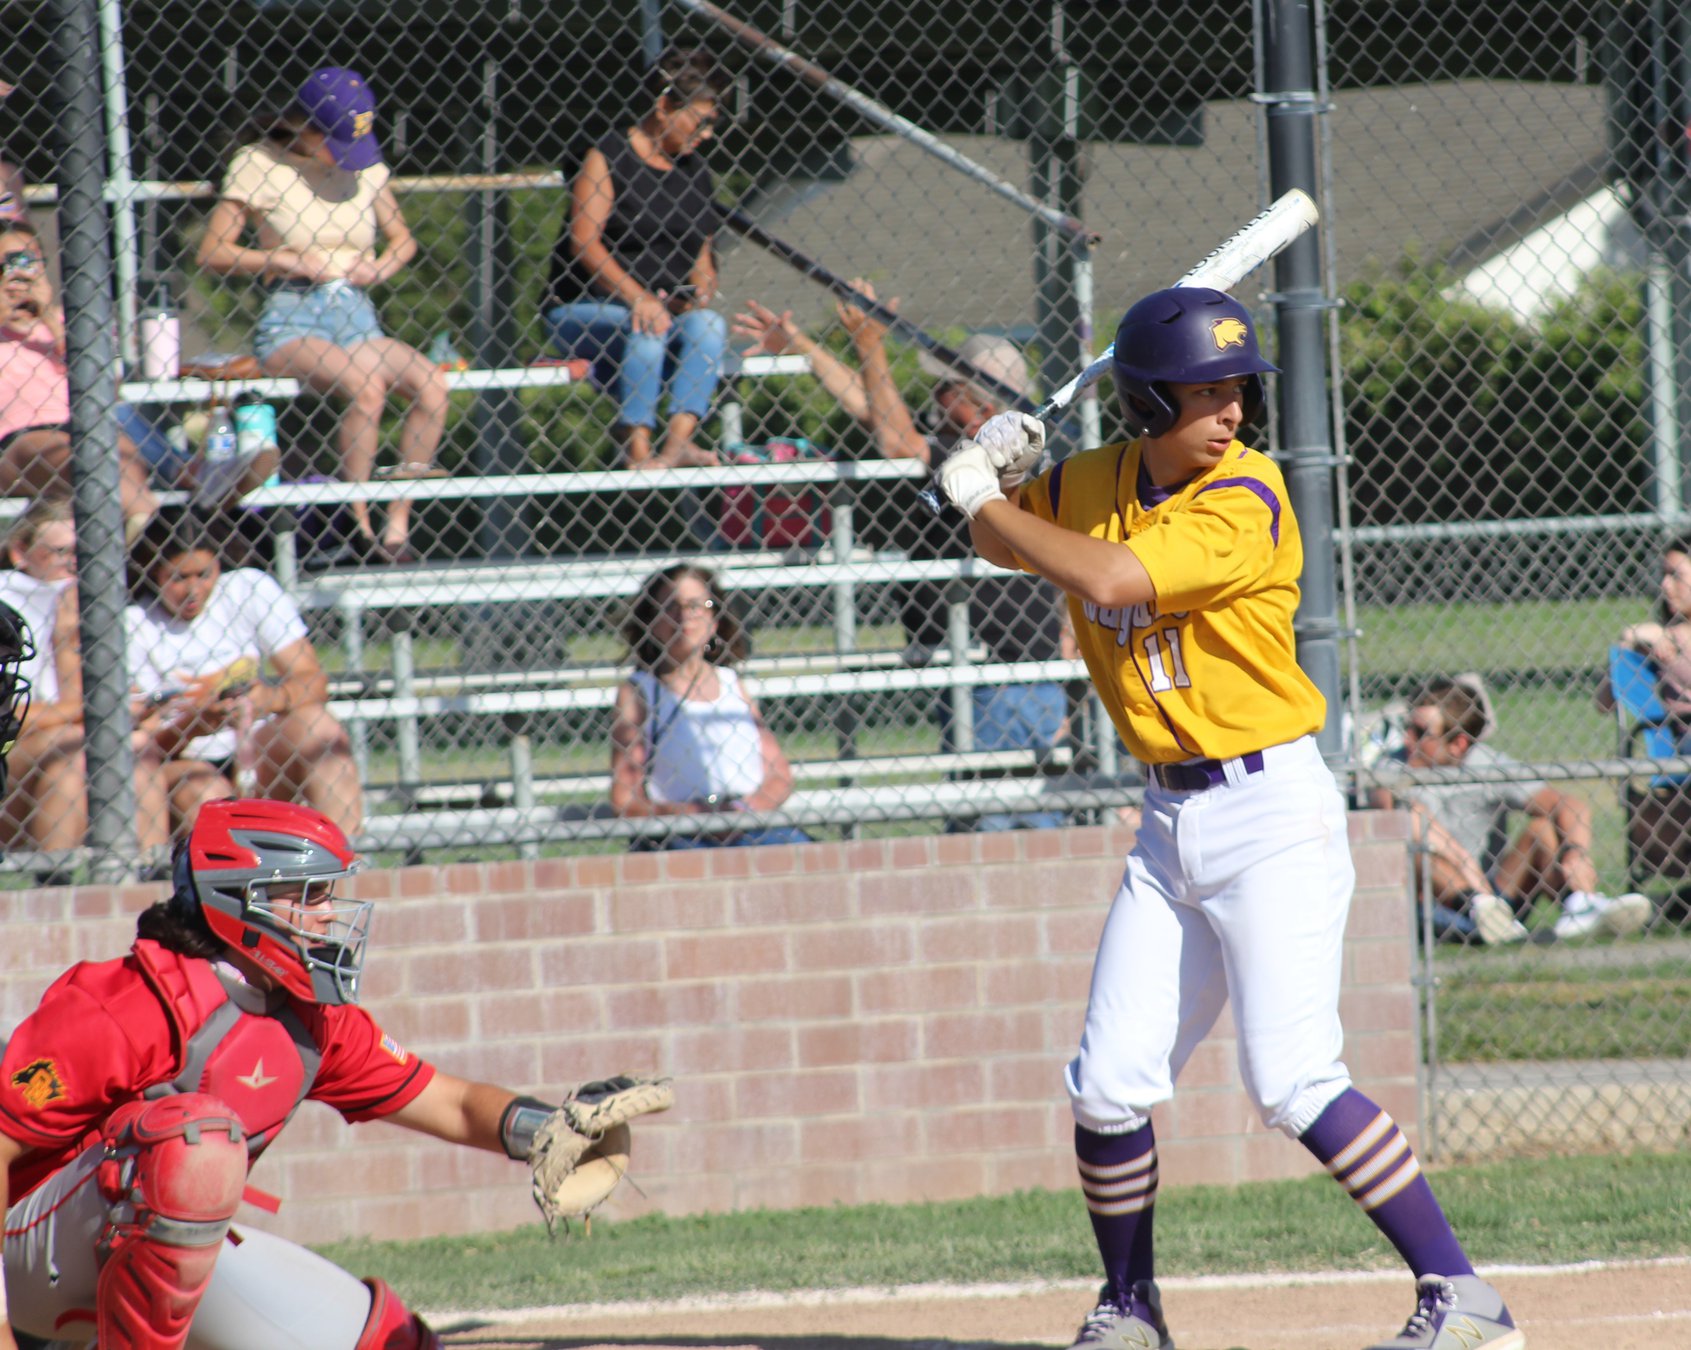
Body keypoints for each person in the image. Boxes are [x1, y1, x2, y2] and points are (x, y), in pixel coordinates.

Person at [935, 286, 1523, 1350]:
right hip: (1164, 826)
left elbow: (1107, 572)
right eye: (1204, 393)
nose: (1231, 412)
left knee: (1292, 1078)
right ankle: (1130, 1307)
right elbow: (1011, 548)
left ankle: (1466, 1298)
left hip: (1270, 816)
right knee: (1106, 1086)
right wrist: (1006, 467)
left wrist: (984, 495)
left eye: (1235, 391)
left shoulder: (1245, 498)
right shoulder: (1104, 479)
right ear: (1148, 401)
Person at [0, 796, 667, 1349]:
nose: (329, 913)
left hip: (147, 1252)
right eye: (309, 894)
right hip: (29, 1260)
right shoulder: (128, 1002)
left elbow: (453, 1102)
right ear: (240, 900)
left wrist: (545, 1130)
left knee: (393, 1344)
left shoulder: (312, 1019)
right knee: (192, 1143)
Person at [734, 285, 1074, 828]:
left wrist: (871, 344)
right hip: (999, 663)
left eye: (947, 390)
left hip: (998, 665)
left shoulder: (983, 454)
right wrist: (802, 343)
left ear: (983, 403)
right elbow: (874, 409)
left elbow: (894, 438)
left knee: (998, 821)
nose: (936, 397)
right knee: (1013, 816)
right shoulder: (993, 444)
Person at [197, 66, 447, 562]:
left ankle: (396, 522)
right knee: (363, 384)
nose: (345, 158)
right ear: (305, 129)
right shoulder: (259, 163)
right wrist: (283, 259)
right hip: (294, 313)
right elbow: (213, 251)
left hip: (356, 313)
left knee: (433, 384)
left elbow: (403, 241)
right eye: (333, 141)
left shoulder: (365, 165)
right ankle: (358, 523)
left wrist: (379, 267)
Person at [541, 46, 730, 470]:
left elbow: (702, 252)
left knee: (709, 325)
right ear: (664, 108)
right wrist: (638, 297)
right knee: (649, 327)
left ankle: (677, 443)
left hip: (659, 311)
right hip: (586, 308)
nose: (708, 134)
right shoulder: (607, 156)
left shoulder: (695, 172)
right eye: (701, 122)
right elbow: (584, 244)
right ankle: (636, 447)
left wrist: (699, 290)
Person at [125, 507, 363, 839]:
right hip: (185, 761)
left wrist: (270, 698)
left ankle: (346, 854)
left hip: (258, 751)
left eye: (204, 574)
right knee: (207, 793)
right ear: (153, 573)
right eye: (178, 578)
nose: (194, 590)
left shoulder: (247, 588)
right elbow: (147, 742)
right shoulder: (135, 622)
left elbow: (312, 680)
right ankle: (226, 882)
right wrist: (196, 724)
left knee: (319, 727)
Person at [1372, 674, 1649, 944]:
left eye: (1420, 733)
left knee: (1542, 829)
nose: (1407, 739)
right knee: (1421, 853)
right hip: (1439, 903)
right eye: (1407, 728)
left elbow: (1568, 805)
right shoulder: (1392, 769)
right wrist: (1471, 875)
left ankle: (1581, 903)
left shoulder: (1485, 764)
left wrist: (1575, 853)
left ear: (1458, 744)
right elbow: (1406, 819)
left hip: (1498, 895)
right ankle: (1480, 912)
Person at [0, 496, 171, 859]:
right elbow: (11, 719)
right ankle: (55, 881)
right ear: (20, 552)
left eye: (83, 551)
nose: (75, 562)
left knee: (138, 749)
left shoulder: (97, 597)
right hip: (16, 754)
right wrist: (66, 641)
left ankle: (147, 874)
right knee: (73, 746)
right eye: (61, 551)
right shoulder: (7, 598)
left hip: (75, 739)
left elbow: (133, 698)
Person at [609, 563, 810, 849]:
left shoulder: (732, 683)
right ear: (651, 622)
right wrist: (696, 817)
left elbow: (779, 776)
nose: (684, 617)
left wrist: (742, 815)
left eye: (696, 605)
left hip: (749, 824)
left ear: (714, 620)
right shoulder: (641, 691)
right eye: (670, 607)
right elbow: (624, 798)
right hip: (680, 830)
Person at [0, 220, 159, 533]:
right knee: (72, 453)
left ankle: (141, 523)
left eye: (25, 262)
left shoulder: (73, 322)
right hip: (16, 442)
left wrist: (48, 317)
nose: (14, 275)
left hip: (89, 429)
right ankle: (146, 530)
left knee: (115, 451)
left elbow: (109, 387)